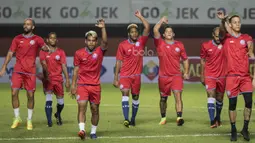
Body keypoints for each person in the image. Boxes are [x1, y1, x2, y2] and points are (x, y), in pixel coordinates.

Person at [0, 18, 48, 130]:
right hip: (18, 70)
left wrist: (46, 49)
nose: (25, 26)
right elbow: (10, 53)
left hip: (30, 72)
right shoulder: (17, 38)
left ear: (33, 27)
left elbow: (45, 48)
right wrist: (3, 67)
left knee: (30, 96)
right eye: (24, 24)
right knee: (13, 93)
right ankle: (17, 118)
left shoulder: (37, 39)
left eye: (28, 24)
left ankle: (29, 120)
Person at [217, 11, 254, 141]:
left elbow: (251, 53)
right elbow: (223, 30)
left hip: (245, 77)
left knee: (249, 102)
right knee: (232, 104)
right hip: (231, 77)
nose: (237, 24)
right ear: (230, 25)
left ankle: (245, 128)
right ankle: (233, 129)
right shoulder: (225, 38)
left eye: (239, 22)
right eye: (235, 22)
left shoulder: (247, 38)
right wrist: (223, 20)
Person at [70, 19, 107, 140]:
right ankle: (81, 130)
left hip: (95, 86)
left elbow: (105, 42)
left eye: (93, 40)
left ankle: (93, 132)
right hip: (82, 85)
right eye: (89, 40)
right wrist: (73, 85)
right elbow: (76, 70)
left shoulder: (99, 52)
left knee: (95, 109)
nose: (91, 43)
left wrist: (102, 28)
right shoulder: (78, 53)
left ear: (96, 42)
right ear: (85, 41)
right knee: (82, 106)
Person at [113, 10, 150, 127]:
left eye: (135, 32)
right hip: (125, 75)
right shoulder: (122, 45)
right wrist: (116, 78)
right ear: (128, 33)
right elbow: (118, 61)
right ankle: (126, 118)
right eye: (132, 32)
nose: (134, 34)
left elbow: (148, 27)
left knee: (135, 97)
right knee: (125, 94)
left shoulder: (141, 42)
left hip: (137, 76)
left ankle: (133, 118)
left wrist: (140, 17)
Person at [153, 16, 189, 126]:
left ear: (173, 34)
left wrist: (186, 72)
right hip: (163, 76)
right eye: (167, 31)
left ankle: (179, 117)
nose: (169, 32)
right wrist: (161, 21)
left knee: (178, 96)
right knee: (163, 98)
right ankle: (163, 118)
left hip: (176, 76)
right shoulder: (160, 43)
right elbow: (155, 29)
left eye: (171, 31)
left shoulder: (179, 45)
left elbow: (185, 59)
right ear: (163, 35)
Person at [39, 32, 70, 127]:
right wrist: (46, 77)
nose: (52, 40)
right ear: (47, 40)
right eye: (50, 38)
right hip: (48, 80)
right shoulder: (43, 52)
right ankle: (49, 121)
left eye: (54, 38)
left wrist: (67, 80)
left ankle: (58, 114)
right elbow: (43, 64)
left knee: (61, 102)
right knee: (49, 99)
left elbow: (64, 66)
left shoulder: (61, 52)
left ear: (57, 40)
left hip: (58, 80)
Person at [200, 27, 225, 128]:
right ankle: (212, 121)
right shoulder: (205, 45)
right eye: (216, 35)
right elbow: (202, 60)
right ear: (212, 35)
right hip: (210, 75)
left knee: (219, 99)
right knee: (211, 96)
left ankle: (218, 118)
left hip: (222, 75)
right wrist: (202, 75)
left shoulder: (226, 45)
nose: (218, 38)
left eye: (220, 36)